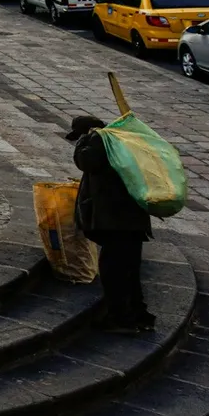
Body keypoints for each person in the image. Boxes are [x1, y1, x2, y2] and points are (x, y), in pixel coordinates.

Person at [68, 114, 155, 331]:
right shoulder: (122, 140)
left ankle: (120, 319)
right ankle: (140, 316)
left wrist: (83, 140)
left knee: (113, 271)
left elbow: (84, 161)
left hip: (116, 222)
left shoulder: (100, 140)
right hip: (133, 220)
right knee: (130, 271)